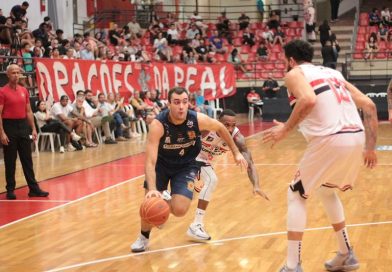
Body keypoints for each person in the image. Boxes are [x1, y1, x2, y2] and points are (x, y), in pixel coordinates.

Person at [262, 40, 378, 272]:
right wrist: (370, 148)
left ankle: (292, 265)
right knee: (326, 190)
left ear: (291, 60)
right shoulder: (333, 72)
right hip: (356, 137)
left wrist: (285, 129)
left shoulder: (295, 73)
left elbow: (308, 99)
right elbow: (370, 105)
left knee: (295, 193)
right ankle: (346, 254)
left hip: (331, 138)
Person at [130, 87, 248, 253]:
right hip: (161, 165)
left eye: (185, 102)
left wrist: (236, 152)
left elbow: (221, 127)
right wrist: (152, 190)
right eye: (177, 102)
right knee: (149, 203)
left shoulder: (197, 119)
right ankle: (143, 237)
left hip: (186, 165)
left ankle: (163, 203)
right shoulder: (158, 124)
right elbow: (150, 161)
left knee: (179, 210)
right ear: (169, 104)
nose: (181, 106)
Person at [187, 109, 269, 240]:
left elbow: (250, 163)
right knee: (211, 180)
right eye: (226, 125)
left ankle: (168, 201)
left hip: (207, 162)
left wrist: (256, 185)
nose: (230, 129)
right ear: (219, 122)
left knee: (189, 196)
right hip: (192, 157)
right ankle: (196, 225)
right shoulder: (207, 128)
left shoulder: (238, 138)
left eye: (233, 125)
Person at [0, 65, 49, 200]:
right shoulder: (2, 92)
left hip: (23, 126)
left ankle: (34, 189)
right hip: (9, 126)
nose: (16, 75)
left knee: (27, 159)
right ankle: (10, 189)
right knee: (10, 160)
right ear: (8, 75)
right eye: (13, 73)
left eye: (18, 72)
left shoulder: (24, 90)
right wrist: (2, 133)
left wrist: (33, 128)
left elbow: (28, 111)